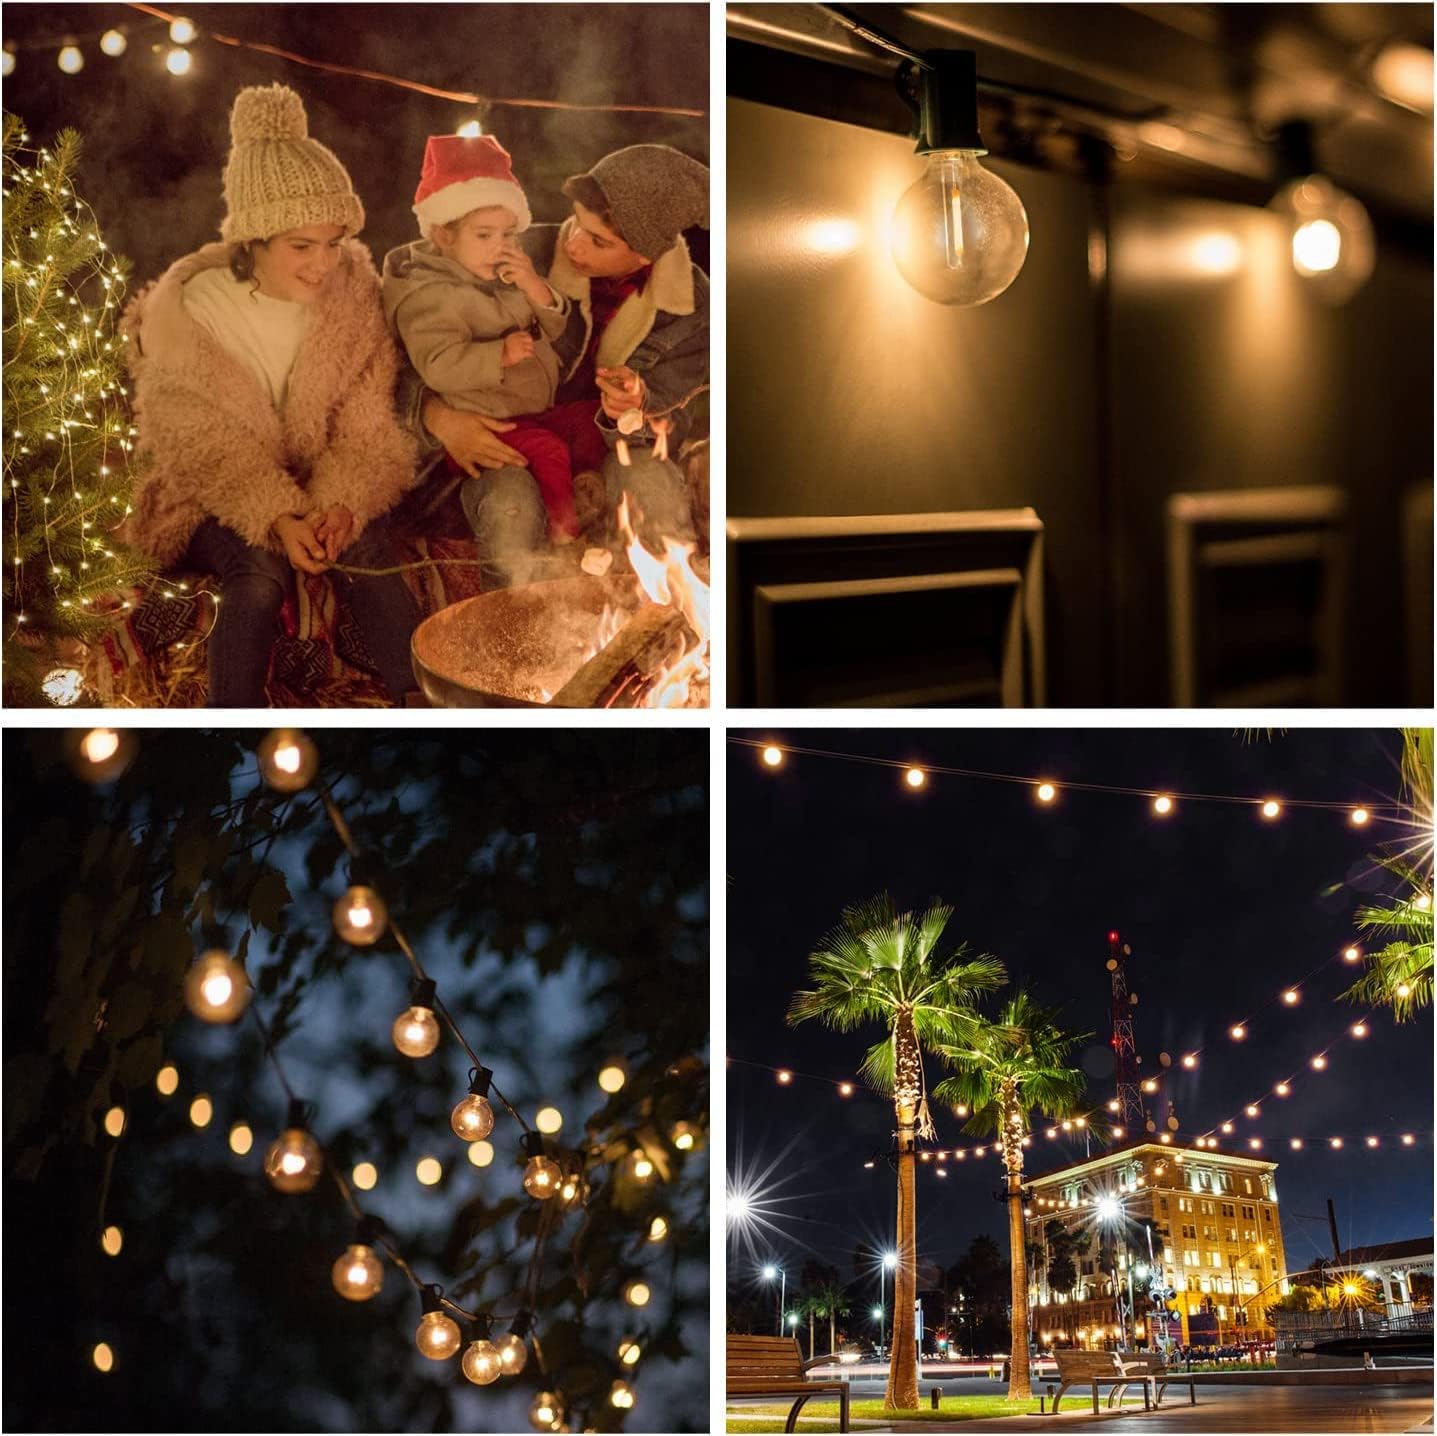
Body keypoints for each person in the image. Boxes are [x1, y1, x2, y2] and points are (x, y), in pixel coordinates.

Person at [122, 83, 421, 706]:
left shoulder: (352, 299)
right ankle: (236, 715)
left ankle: (428, 701)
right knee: (260, 574)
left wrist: (340, 504)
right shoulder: (190, 313)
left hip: (318, 480)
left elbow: (364, 430)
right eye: (301, 247)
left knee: (366, 547)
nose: (322, 263)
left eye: (334, 242)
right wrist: (277, 516)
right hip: (212, 492)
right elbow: (202, 446)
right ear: (256, 240)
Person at [411, 143, 709, 588]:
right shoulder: (510, 249)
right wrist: (440, 419)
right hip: (508, 432)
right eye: (577, 222)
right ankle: (512, 640)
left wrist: (635, 406)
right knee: (510, 505)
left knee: (653, 488)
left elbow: (675, 421)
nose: (573, 244)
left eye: (598, 241)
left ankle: (665, 636)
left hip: (610, 447)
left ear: (647, 254)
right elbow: (414, 345)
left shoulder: (691, 305)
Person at [383, 134, 597, 545]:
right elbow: (439, 366)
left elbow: (560, 332)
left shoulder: (504, 273)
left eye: (507, 235)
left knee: (590, 423)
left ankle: (589, 496)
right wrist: (497, 353)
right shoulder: (427, 296)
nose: (499, 247)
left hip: (533, 408)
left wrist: (535, 286)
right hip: (489, 420)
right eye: (484, 236)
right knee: (549, 453)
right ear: (444, 236)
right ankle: (564, 534)